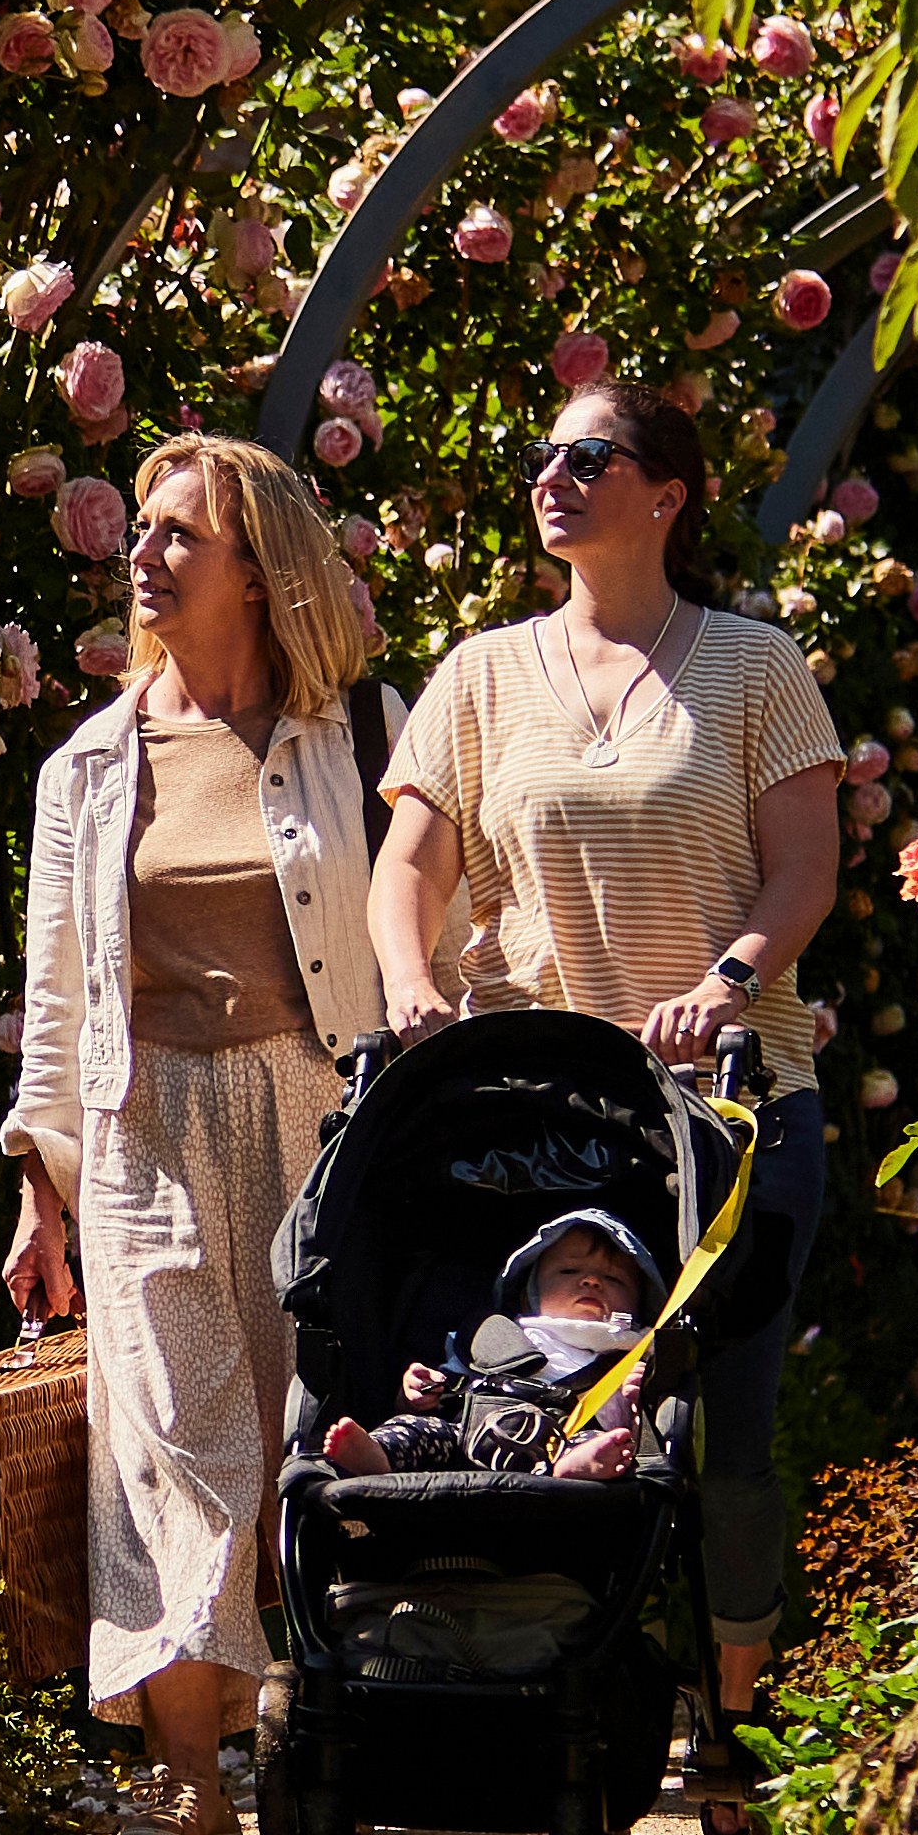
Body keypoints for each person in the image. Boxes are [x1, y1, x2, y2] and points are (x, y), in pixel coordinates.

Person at [374, 380, 853, 1748]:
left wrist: (725, 983)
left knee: (728, 1434)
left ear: (666, 495)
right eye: (544, 456)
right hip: (542, 1122)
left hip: (731, 1110)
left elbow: (805, 870)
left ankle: (736, 1727)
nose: (554, 476)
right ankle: (561, 1708)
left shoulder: (754, 667)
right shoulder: (477, 676)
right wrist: (412, 989)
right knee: (540, 1405)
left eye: (590, 456)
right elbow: (407, 867)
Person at [0, 428, 392, 1835]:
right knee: (172, 1429)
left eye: (179, 536)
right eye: (143, 532)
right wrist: (39, 1188)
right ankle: (191, 1778)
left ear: (259, 568)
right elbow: (52, 997)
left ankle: (332, 1728)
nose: (144, 557)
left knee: (319, 1419)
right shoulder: (88, 769)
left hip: (320, 1103)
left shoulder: (354, 738)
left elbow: (424, 937)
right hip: (141, 1119)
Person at [321, 1209, 655, 1474]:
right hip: (469, 1430)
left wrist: (635, 1401)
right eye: (569, 1272)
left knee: (604, 1443)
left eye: (613, 1279)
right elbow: (445, 1386)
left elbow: (631, 1432)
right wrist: (415, 1393)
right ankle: (379, 1454)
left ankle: (575, 1466)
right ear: (529, 1295)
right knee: (417, 1429)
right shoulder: (496, 1331)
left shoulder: (628, 1357)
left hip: (562, 1437)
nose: (592, 1281)